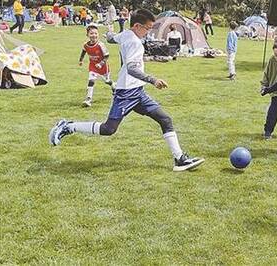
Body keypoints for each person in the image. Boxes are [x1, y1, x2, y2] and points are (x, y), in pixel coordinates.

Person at [48, 9, 204, 172]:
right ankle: (68, 126)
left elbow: (112, 38)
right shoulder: (135, 43)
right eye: (148, 28)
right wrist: (153, 80)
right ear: (137, 26)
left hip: (138, 92)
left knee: (165, 119)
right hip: (126, 93)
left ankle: (179, 159)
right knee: (108, 129)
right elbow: (131, 69)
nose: (149, 31)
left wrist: (108, 34)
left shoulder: (127, 34)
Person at [78, 25, 115, 107]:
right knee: (91, 80)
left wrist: (101, 64)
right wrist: (81, 60)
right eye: (91, 33)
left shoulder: (100, 45)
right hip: (93, 66)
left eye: (95, 33)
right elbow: (83, 52)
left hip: (103, 67)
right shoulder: (86, 45)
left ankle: (113, 85)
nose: (93, 35)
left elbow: (107, 55)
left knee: (107, 81)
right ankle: (88, 99)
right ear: (87, 35)